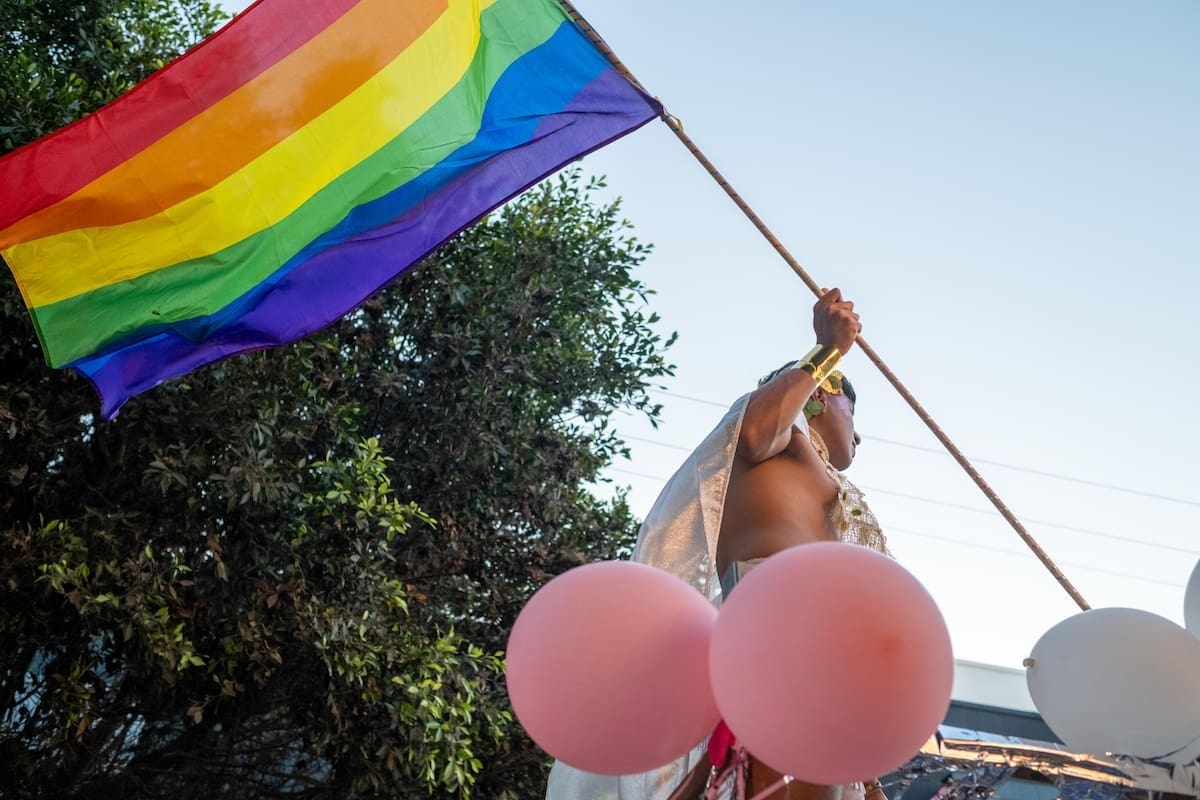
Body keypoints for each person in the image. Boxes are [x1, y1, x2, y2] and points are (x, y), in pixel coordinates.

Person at [545, 289, 889, 800]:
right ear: (820, 394)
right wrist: (825, 351)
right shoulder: (779, 435)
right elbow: (752, 433)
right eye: (853, 415)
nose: (859, 439)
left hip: (808, 657)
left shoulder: (817, 470)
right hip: (782, 637)